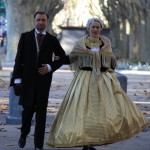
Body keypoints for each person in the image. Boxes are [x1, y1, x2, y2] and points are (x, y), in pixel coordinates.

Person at [46, 18, 148, 150]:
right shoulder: (80, 43)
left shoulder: (106, 42)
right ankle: (85, 143)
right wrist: (58, 59)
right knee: (84, 111)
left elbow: (112, 61)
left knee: (105, 111)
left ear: (100, 28)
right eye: (93, 27)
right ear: (88, 28)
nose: (95, 29)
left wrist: (106, 67)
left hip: (103, 79)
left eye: (97, 27)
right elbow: (71, 58)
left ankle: (97, 139)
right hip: (84, 79)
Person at [11, 11, 66, 150]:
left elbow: (62, 57)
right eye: (38, 20)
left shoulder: (52, 40)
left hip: (43, 82)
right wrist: (17, 79)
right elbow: (18, 59)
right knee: (27, 113)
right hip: (27, 82)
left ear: (47, 21)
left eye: (43, 20)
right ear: (34, 21)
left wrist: (50, 66)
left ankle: (38, 146)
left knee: (41, 115)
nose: (41, 22)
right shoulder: (25, 37)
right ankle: (24, 134)